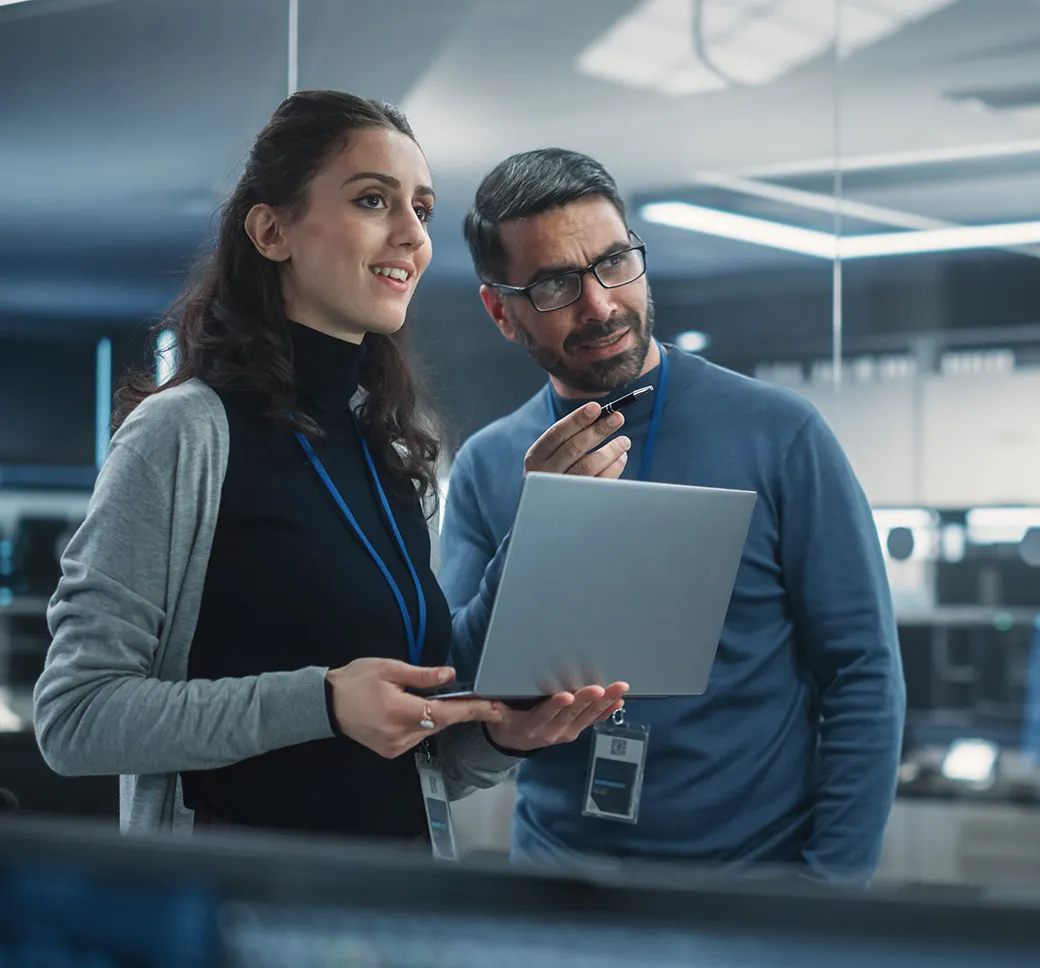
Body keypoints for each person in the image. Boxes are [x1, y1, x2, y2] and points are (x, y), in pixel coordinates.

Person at [32, 93, 626, 840]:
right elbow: (76, 717)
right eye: (374, 200)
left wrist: (503, 734)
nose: (412, 235)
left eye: (422, 209)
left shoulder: (387, 446)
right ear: (272, 230)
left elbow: (416, 744)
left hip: (390, 905)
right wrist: (322, 701)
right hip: (240, 915)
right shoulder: (183, 434)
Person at [441, 148, 905, 886]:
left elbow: (863, 672)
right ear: (502, 310)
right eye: (557, 284)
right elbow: (455, 687)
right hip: (560, 889)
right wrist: (538, 529)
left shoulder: (781, 434)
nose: (599, 304)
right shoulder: (489, 466)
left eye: (615, 261)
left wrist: (830, 888)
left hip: (753, 889)